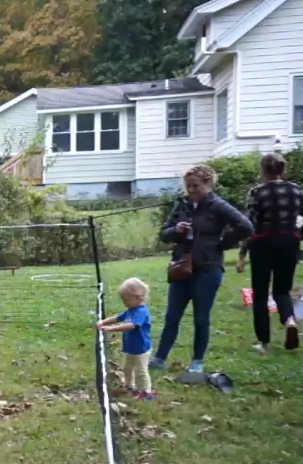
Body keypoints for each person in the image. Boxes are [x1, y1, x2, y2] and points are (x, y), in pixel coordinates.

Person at [150, 165, 253, 374]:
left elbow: (246, 226)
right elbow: (163, 233)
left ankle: (197, 361)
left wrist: (222, 244)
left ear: (208, 184)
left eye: (195, 186)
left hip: (207, 268)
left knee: (200, 317)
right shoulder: (183, 205)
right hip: (181, 267)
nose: (191, 190)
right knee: (172, 315)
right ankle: (160, 357)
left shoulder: (218, 206)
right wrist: (175, 230)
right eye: (188, 186)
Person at [235, 152, 302, 353]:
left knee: (261, 293)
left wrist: (242, 255)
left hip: (263, 243)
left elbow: (250, 225)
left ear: (263, 170)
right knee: (283, 289)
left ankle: (263, 342)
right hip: (289, 242)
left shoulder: (257, 192)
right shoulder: (298, 191)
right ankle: (289, 320)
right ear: (283, 169)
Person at [96, 277, 155, 400]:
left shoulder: (141, 312)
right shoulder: (130, 310)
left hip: (142, 349)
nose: (124, 302)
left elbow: (131, 326)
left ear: (138, 297)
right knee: (127, 368)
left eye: (126, 299)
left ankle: (146, 392)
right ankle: (129, 386)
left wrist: (111, 329)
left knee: (141, 371)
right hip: (130, 347)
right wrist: (103, 322)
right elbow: (117, 318)